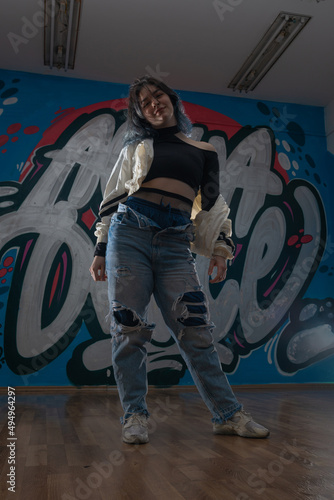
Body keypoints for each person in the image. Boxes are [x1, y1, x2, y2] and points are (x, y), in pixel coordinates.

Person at [90, 76, 269, 444]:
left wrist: (221, 248)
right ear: (139, 113)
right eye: (144, 102)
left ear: (171, 100)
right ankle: (135, 416)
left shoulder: (203, 150)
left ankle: (227, 414)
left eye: (158, 96)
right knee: (129, 328)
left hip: (175, 243)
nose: (153, 104)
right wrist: (99, 247)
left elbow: (214, 204)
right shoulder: (137, 146)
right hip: (129, 233)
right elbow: (114, 194)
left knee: (196, 332)